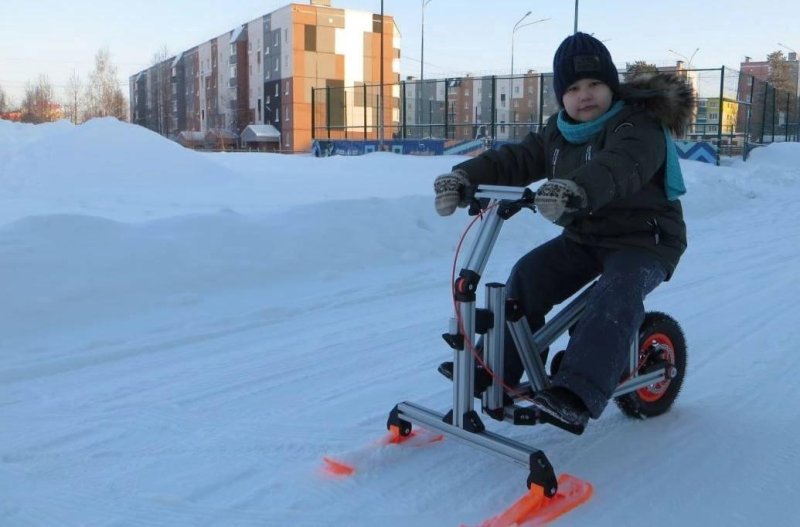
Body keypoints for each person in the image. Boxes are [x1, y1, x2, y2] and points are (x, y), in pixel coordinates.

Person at [433, 32, 693, 429]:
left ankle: (576, 390)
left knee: (616, 292)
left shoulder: (637, 125)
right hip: (586, 237)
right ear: (561, 96)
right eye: (572, 88)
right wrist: (465, 176)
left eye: (594, 84)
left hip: (646, 240)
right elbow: (518, 159)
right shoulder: (558, 131)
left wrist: (576, 189)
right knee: (527, 276)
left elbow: (621, 165)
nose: (584, 95)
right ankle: (495, 370)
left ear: (611, 85)